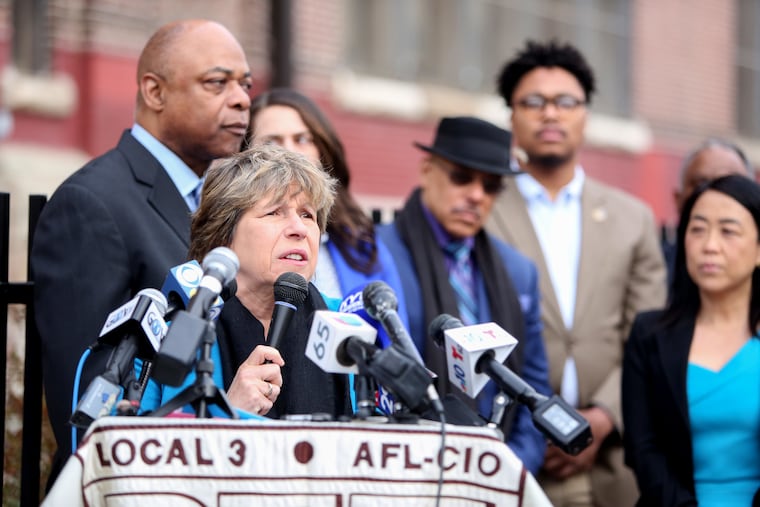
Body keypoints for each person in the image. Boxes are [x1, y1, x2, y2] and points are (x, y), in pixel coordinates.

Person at [30, 19, 252, 484]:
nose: (242, 99)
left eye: (244, 84)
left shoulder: (221, 202)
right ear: (154, 91)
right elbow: (86, 406)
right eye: (217, 82)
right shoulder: (91, 205)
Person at [485, 40, 667, 506]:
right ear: (512, 115)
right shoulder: (480, 213)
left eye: (565, 102)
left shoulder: (633, 218)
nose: (551, 114)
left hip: (612, 462)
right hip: (512, 457)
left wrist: (604, 416)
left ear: (585, 114)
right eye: (533, 102)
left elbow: (649, 335)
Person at [377, 116, 552, 475]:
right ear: (427, 170)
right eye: (461, 177)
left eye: (491, 186)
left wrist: (509, 469)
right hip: (407, 469)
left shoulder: (518, 271)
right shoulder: (376, 255)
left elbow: (534, 386)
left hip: (497, 473)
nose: (476, 195)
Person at [140, 144, 353, 419]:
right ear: (223, 237)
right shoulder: (171, 333)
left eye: (307, 215)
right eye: (274, 212)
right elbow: (139, 451)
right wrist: (229, 412)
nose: (299, 229)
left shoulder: (348, 323)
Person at [623, 174, 760, 506]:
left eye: (728, 231)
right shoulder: (649, 334)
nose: (709, 245)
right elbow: (643, 450)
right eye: (697, 229)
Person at [246, 88, 408, 322]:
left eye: (302, 139)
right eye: (272, 141)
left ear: (322, 150)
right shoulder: (236, 241)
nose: (290, 151)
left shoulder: (364, 245)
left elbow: (394, 338)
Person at [663, 138, 755, 286]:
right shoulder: (655, 268)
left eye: (729, 185)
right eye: (701, 184)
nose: (711, 246)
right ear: (678, 199)